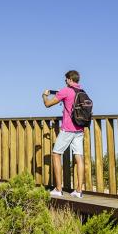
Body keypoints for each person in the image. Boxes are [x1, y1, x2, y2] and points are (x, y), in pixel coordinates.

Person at [42, 70, 85, 198]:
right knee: (79, 157)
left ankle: (58, 189)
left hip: (68, 129)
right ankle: (78, 191)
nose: (65, 82)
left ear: (70, 79)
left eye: (66, 80)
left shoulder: (66, 91)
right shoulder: (82, 92)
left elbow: (48, 104)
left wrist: (44, 95)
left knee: (56, 154)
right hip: (80, 129)